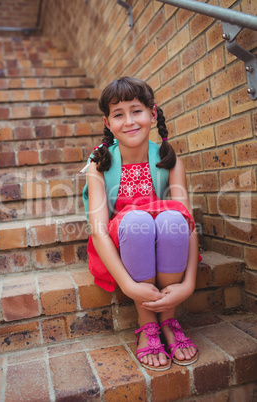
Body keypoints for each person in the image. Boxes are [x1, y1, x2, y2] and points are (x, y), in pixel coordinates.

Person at [82, 77, 199, 371]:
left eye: (136, 110)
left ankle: (169, 317)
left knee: (172, 218)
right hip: (123, 243)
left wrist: (189, 284)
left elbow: (188, 222)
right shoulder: (99, 166)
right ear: (107, 122)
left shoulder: (169, 160)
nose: (129, 121)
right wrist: (128, 286)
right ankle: (147, 321)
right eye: (118, 114)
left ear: (152, 113)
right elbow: (98, 230)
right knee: (137, 221)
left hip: (165, 239)